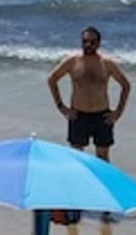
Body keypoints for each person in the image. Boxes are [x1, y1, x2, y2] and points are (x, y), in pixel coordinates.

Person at [47, 27, 131, 161]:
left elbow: (126, 85)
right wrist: (61, 107)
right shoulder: (72, 61)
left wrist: (118, 112)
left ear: (99, 43)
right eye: (85, 41)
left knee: (103, 158)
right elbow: (52, 80)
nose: (88, 45)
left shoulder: (107, 63)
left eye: (92, 42)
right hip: (78, 116)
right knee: (77, 158)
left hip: (102, 116)